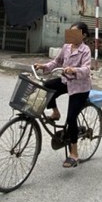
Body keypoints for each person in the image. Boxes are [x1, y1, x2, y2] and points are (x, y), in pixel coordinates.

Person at [33, 22, 93, 168]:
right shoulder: (66, 47)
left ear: (83, 35)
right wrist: (44, 66)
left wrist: (75, 70)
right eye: (70, 32)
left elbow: (86, 69)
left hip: (80, 87)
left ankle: (74, 153)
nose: (71, 35)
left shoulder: (85, 50)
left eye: (75, 33)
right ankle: (55, 112)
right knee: (47, 86)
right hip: (66, 81)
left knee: (71, 118)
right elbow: (57, 61)